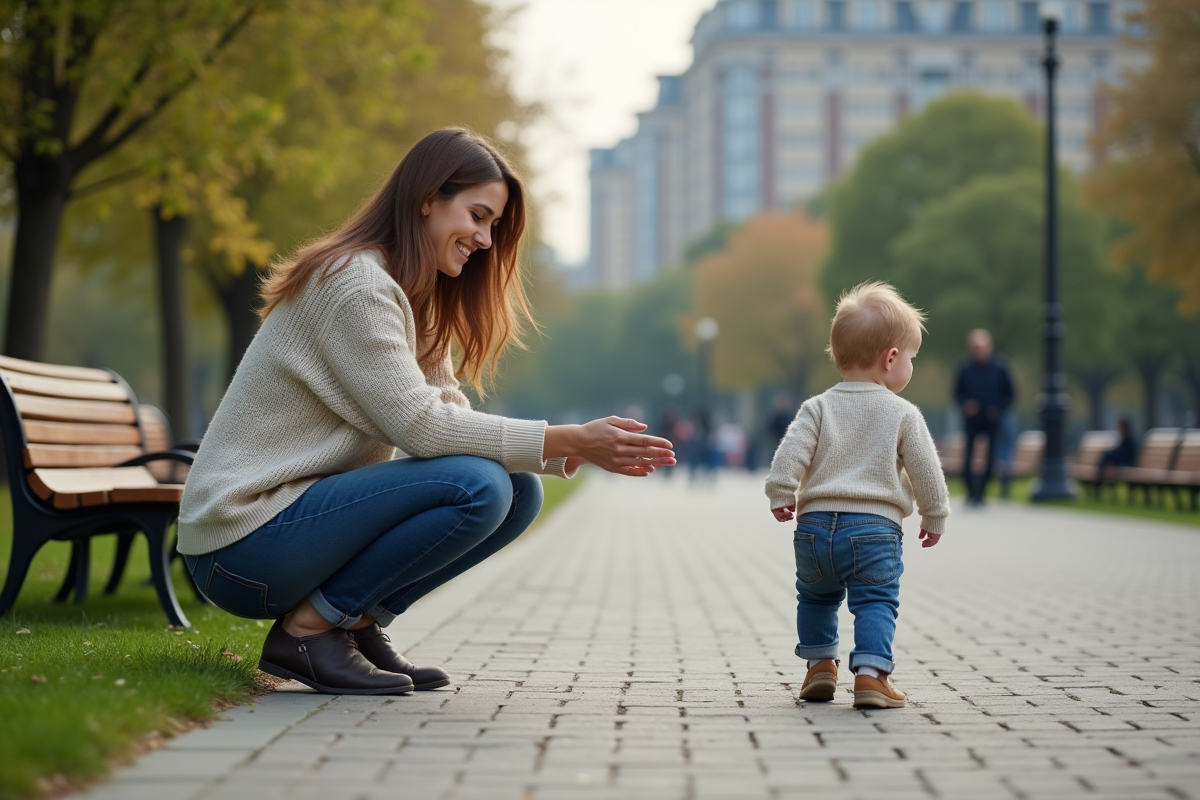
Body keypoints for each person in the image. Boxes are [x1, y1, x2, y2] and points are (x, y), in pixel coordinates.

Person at [178, 129, 676, 696]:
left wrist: (563, 451)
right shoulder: (354, 284)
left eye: (494, 226)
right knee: (479, 487)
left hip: (288, 529)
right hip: (241, 544)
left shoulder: (411, 293)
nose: (486, 239)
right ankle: (308, 633)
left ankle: (355, 623)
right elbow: (421, 428)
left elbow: (448, 417)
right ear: (426, 199)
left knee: (515, 491)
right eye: (478, 215)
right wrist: (569, 439)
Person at [765, 281, 949, 709]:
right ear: (890, 358)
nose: (911, 366)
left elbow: (789, 454)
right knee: (876, 601)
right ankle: (871, 676)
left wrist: (781, 492)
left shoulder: (817, 407)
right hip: (874, 531)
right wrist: (934, 515)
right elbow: (925, 471)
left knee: (814, 597)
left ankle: (819, 668)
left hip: (812, 529)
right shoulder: (903, 412)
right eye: (911, 358)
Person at [953, 329, 1015, 506]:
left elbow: (1010, 394)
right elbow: (958, 393)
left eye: (982, 347)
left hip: (992, 419)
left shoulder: (1000, 368)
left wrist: (998, 409)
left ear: (989, 347)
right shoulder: (964, 368)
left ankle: (983, 491)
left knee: (992, 456)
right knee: (968, 455)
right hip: (972, 420)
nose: (979, 350)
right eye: (976, 347)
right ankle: (970, 491)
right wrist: (966, 405)